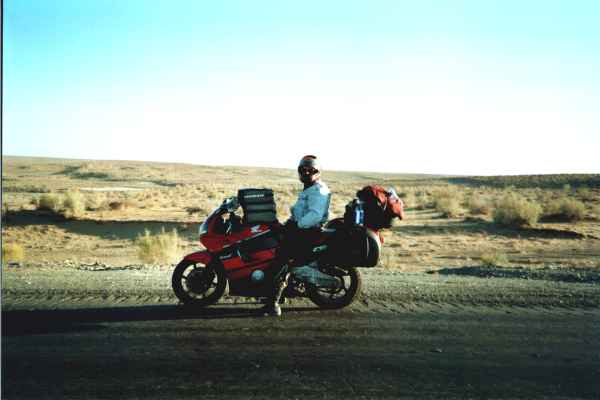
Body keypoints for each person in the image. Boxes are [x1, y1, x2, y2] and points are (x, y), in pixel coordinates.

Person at [262, 155, 331, 317]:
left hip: (307, 232)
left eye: (311, 170)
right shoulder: (310, 188)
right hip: (302, 229)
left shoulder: (318, 190)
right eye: (303, 170)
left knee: (281, 258)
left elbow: (314, 215)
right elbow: (301, 212)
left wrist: (296, 226)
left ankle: (273, 304)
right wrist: (287, 224)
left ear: (318, 172)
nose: (307, 172)